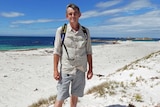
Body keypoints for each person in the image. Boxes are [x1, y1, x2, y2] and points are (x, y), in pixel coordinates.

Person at [53, 3, 93, 107]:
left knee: (75, 96)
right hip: (66, 69)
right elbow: (56, 51)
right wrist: (55, 70)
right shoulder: (61, 31)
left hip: (80, 69)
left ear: (80, 15)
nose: (73, 16)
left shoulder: (85, 31)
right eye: (70, 14)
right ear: (67, 16)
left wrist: (90, 69)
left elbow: (89, 51)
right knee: (60, 97)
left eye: (75, 13)